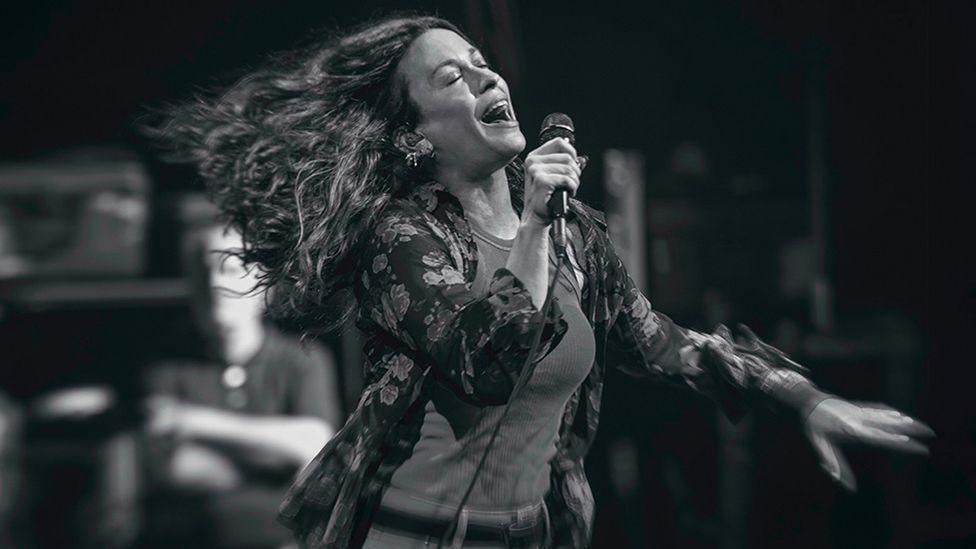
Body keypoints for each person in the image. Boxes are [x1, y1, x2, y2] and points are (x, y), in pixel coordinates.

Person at [153, 14, 934, 549]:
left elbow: (662, 341)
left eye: (484, 65)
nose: (486, 77)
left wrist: (804, 397)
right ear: (414, 136)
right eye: (452, 77)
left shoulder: (576, 237)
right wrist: (530, 223)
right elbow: (488, 361)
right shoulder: (404, 236)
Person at [141, 221, 341, 548]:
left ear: (264, 288)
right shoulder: (166, 369)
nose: (215, 283)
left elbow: (315, 444)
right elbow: (173, 467)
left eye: (230, 270)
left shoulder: (303, 361)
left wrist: (194, 422)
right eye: (202, 272)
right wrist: (277, 462)